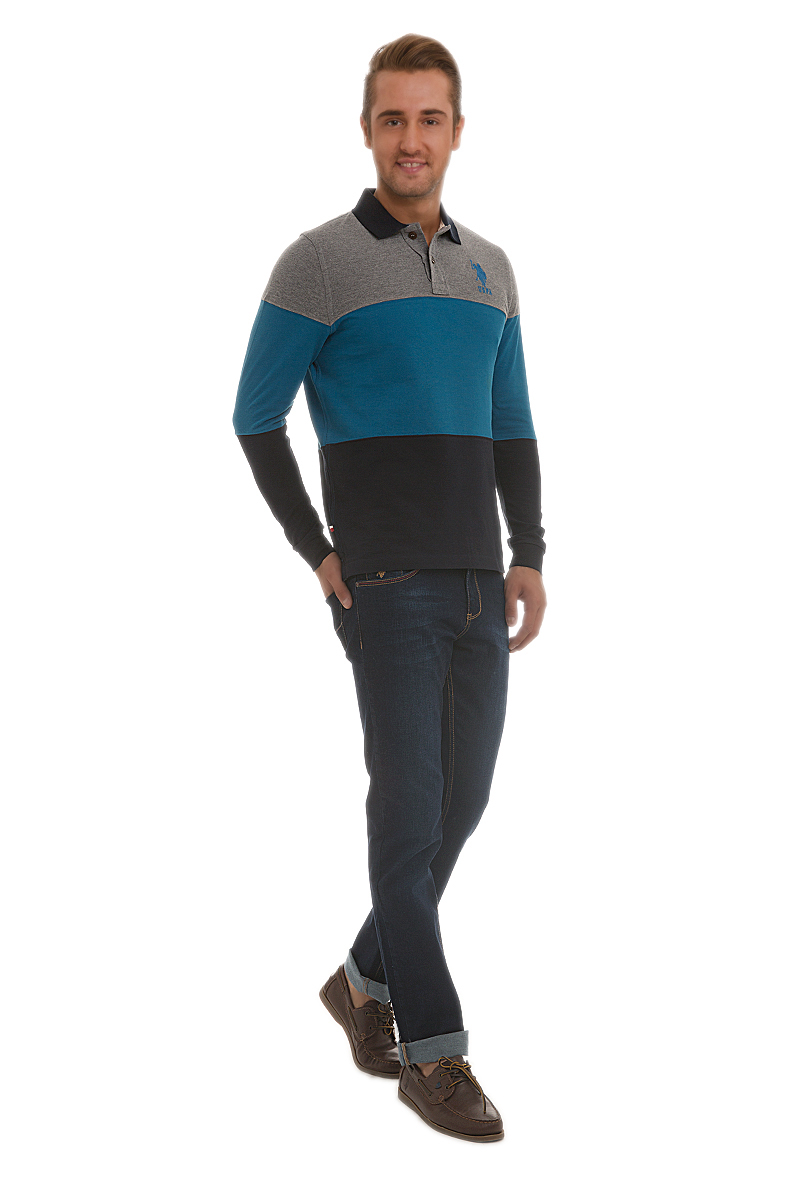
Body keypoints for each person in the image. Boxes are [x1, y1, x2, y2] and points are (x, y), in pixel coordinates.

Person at [232, 33, 546, 1142]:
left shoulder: (491, 269)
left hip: (478, 580)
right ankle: (434, 1050)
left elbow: (511, 423)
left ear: (457, 131)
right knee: (407, 813)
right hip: (385, 584)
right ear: (367, 131)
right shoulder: (317, 263)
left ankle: (362, 981)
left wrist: (528, 551)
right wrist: (316, 552)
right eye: (392, 119)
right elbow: (254, 416)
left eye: (430, 118)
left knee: (461, 806)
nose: (412, 139)